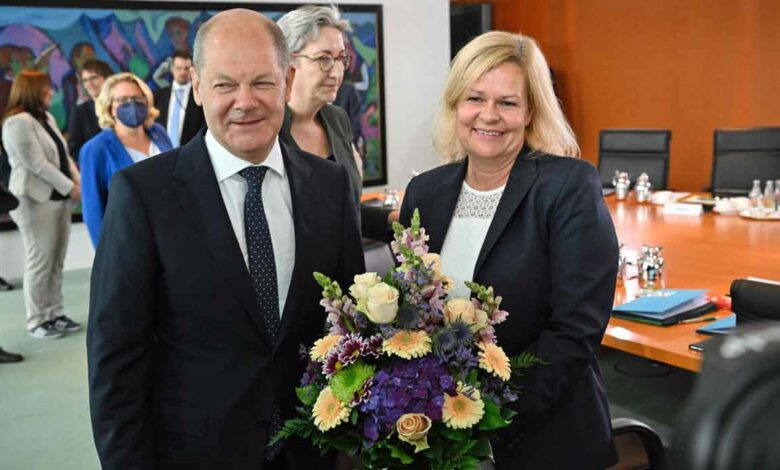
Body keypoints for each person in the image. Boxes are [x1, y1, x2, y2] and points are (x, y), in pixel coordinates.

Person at [87, 9, 364, 470]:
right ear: (196, 86)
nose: (245, 101)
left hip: (312, 452)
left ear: (288, 79)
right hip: (195, 455)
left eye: (262, 82)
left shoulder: (330, 187)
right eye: (224, 85)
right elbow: (116, 363)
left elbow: (348, 331)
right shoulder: (144, 196)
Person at [399, 31, 619, 469]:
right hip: (441, 438)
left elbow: (576, 330)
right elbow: (413, 317)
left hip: (543, 436)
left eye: (508, 102)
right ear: (456, 105)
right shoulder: (426, 192)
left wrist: (487, 415)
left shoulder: (568, 186)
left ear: (531, 111)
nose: (488, 116)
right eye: (475, 98)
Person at [277, 5, 397, 242]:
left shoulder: (337, 120)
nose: (337, 72)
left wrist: (395, 218)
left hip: (347, 274)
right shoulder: (268, 131)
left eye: (341, 58)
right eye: (323, 59)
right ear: (286, 62)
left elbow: (346, 213)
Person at [2, 69, 82, 340]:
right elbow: (35, 164)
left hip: (57, 199)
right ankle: (37, 319)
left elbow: (63, 154)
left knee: (56, 259)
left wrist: (77, 180)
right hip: (33, 200)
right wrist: (69, 187)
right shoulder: (17, 122)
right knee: (40, 260)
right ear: (33, 89)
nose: (52, 92)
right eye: (47, 88)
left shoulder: (44, 117)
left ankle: (55, 313)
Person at [79, 72, 172, 247]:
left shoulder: (158, 133)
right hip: (130, 242)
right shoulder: (96, 149)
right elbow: (93, 211)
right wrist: (106, 256)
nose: (132, 105)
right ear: (109, 107)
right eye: (122, 100)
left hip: (170, 235)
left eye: (138, 98)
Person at [154, 50, 206, 148]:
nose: (182, 72)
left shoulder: (201, 96)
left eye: (186, 68)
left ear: (192, 70)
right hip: (162, 153)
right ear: (172, 69)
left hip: (191, 152)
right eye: (178, 68)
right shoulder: (159, 95)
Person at [66, 59, 113, 163]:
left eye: (94, 78)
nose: (89, 84)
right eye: (85, 80)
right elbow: (74, 151)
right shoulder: (80, 112)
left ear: (107, 78)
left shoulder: (119, 104)